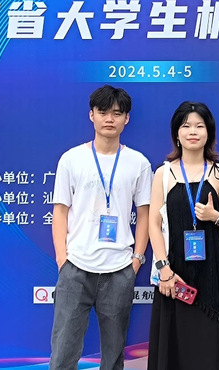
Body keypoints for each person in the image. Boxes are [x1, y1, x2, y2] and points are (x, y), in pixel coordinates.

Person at [49, 85, 152, 370]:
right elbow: (60, 211)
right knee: (63, 351)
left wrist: (136, 259)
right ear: (91, 115)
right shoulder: (71, 159)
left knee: (114, 354)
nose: (109, 119)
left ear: (126, 119)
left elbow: (145, 214)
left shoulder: (139, 163)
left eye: (117, 113)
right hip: (76, 267)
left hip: (119, 269)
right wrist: (62, 259)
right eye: (103, 112)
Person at [147, 101, 219, 370]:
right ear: (177, 133)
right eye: (186, 126)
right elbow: (153, 223)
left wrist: (214, 216)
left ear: (209, 133)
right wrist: (164, 269)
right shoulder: (164, 173)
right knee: (175, 346)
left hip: (210, 275)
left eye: (199, 126)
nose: (193, 132)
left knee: (208, 347)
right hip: (174, 273)